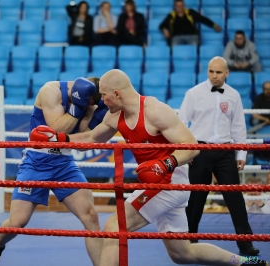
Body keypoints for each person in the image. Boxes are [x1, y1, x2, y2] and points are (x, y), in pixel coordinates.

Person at [29, 69, 268, 266]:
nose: (101, 101)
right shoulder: (115, 116)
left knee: (115, 225)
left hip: (170, 182)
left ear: (117, 93)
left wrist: (166, 163)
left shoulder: (155, 110)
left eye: (104, 96)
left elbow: (192, 146)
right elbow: (92, 138)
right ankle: (245, 262)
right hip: (156, 183)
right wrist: (60, 140)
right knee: (182, 253)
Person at [0, 77, 108, 266]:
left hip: (64, 162)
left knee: (91, 216)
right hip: (36, 161)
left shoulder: (89, 103)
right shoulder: (50, 91)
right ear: (85, 95)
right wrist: (77, 108)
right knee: (18, 223)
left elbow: (80, 140)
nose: (90, 106)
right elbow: (55, 129)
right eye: (89, 103)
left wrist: (93, 118)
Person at [178, 56, 261, 256]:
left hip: (225, 151)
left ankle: (245, 243)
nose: (214, 76)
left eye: (218, 72)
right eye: (211, 72)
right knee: (196, 199)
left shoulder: (234, 95)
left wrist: (241, 152)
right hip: (199, 150)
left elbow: (239, 126)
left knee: (235, 199)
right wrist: (186, 150)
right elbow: (181, 123)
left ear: (226, 73)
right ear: (207, 71)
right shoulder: (194, 93)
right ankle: (190, 240)